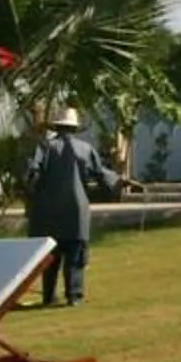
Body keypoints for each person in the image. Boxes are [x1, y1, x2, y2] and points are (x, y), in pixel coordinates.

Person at [24, 107, 116, 307]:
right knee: (75, 255)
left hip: (47, 213)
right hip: (75, 211)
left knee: (50, 258)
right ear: (75, 128)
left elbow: (33, 174)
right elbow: (102, 175)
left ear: (56, 126)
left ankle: (48, 297)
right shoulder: (85, 149)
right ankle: (74, 296)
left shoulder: (45, 147)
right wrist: (117, 182)